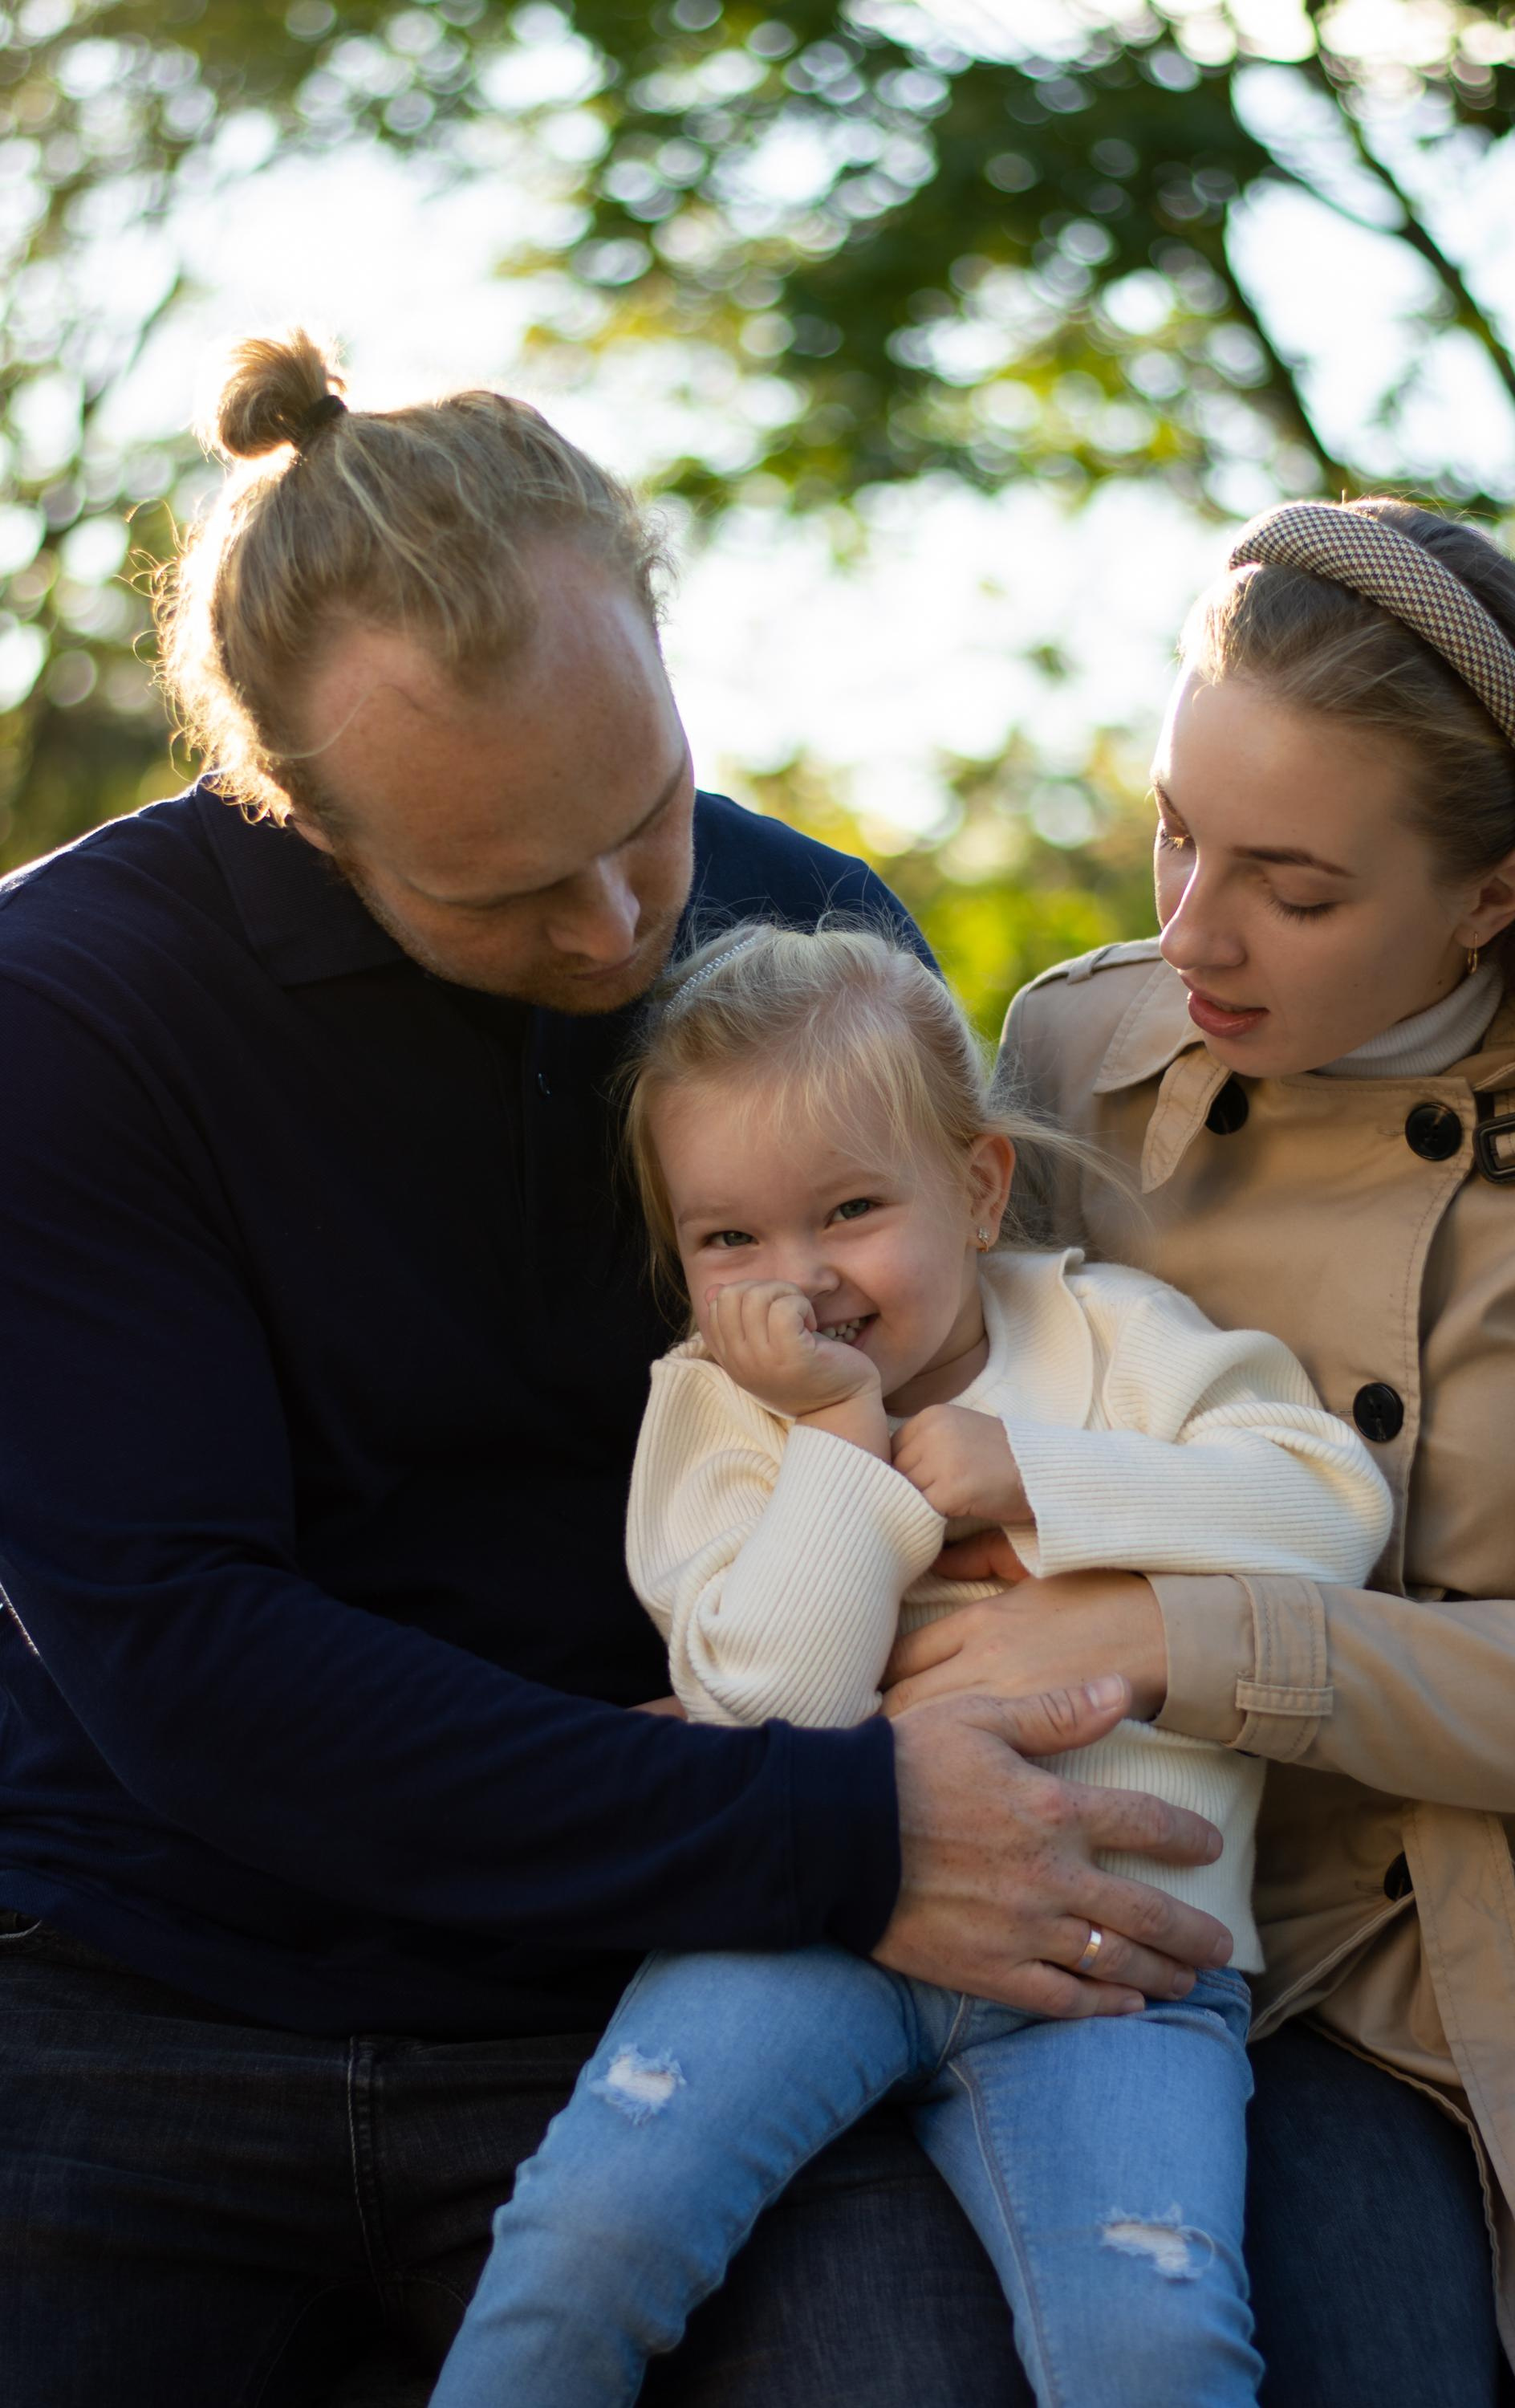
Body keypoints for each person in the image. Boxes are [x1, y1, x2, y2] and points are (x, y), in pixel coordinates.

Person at [0, 332, 1234, 2408]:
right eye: (500, 890)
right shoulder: (67, 1018)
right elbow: (192, 1665)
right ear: (294, 812)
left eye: (645, 811)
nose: (617, 929)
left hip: (684, 1965)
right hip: (141, 1993)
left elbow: (981, 1436)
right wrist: (835, 1832)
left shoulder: (808, 933)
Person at [891, 497, 1515, 2408]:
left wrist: (1170, 1631)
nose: (1187, 933)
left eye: (1293, 892)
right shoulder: (1075, 1059)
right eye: (1173, 830)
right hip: (1208, 1939)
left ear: (1491, 895)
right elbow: (946, 1472)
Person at [429, 923, 1391, 2408]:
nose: (800, 1281)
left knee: (1153, 2335)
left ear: (980, 1186)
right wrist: (841, 1441)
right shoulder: (715, 1411)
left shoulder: (1114, 1338)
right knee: (591, 2231)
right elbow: (777, 1704)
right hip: (807, 1925)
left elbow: (1331, 1512)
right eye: (729, 1240)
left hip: (1120, 1964)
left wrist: (1038, 1477)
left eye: (852, 1208)